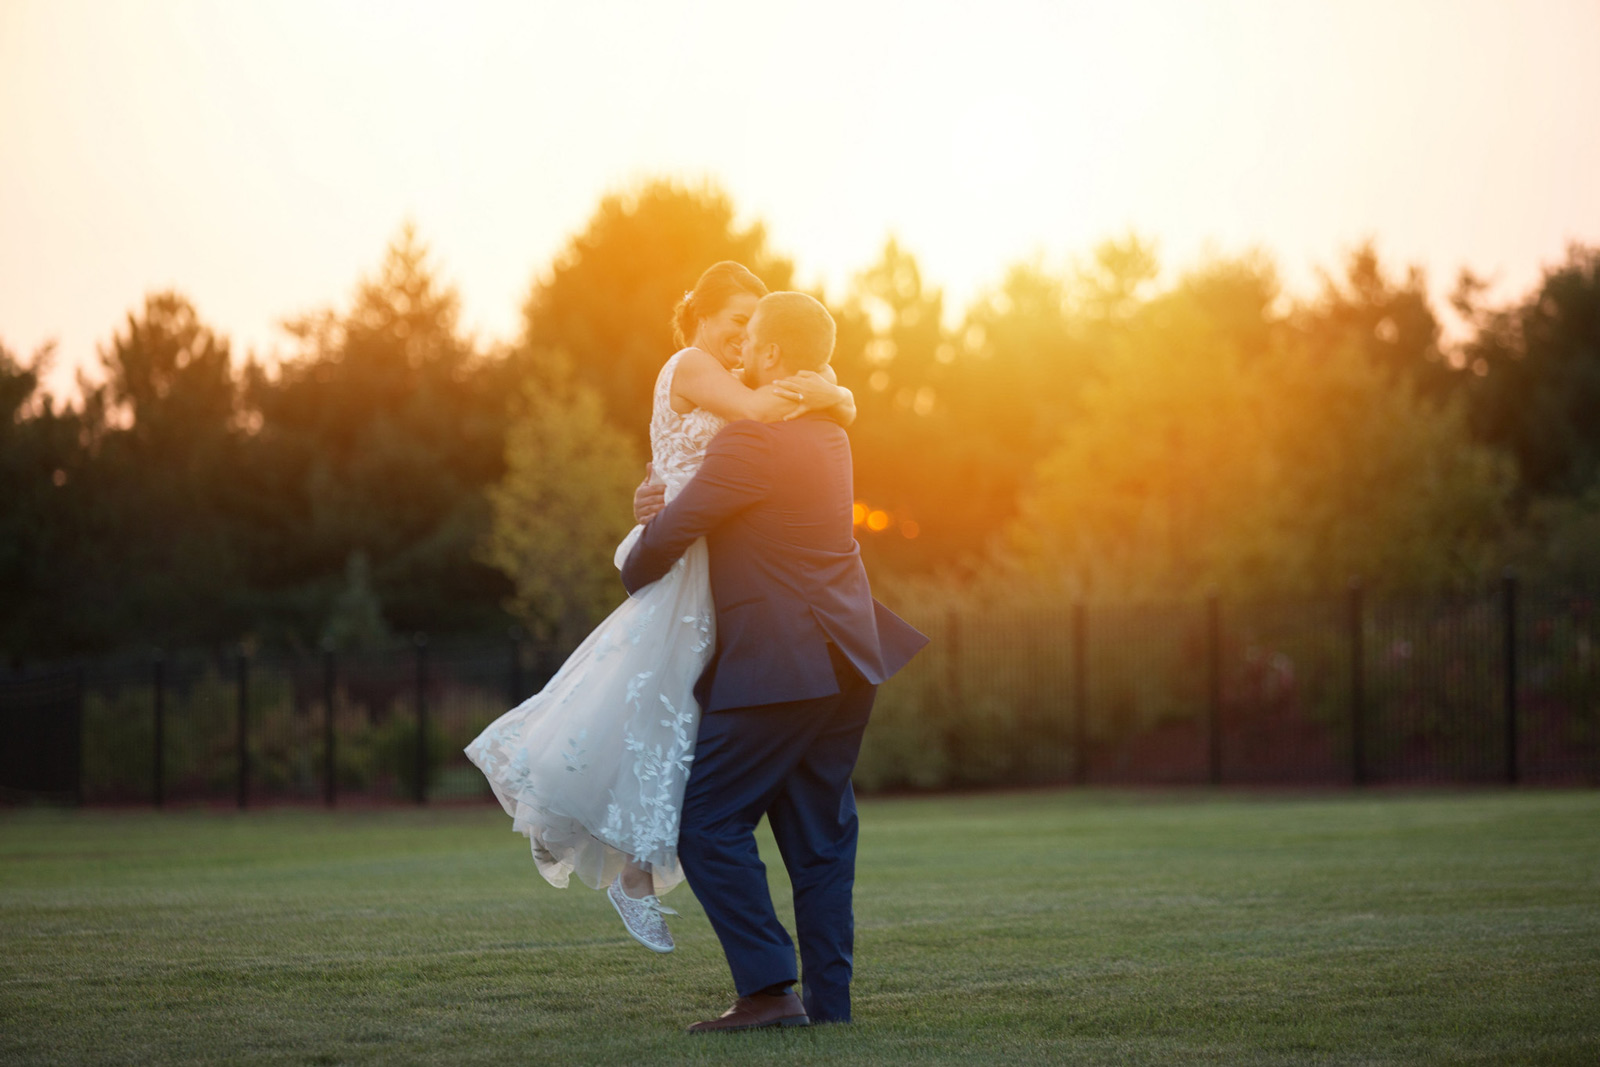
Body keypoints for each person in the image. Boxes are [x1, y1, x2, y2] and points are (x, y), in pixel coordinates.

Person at [464, 262, 854, 953]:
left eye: (752, 329)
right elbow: (762, 414)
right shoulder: (691, 364)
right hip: (685, 557)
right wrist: (835, 391)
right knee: (641, 699)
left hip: (713, 559)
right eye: (737, 322)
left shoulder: (728, 377)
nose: (743, 340)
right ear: (702, 315)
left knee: (675, 717)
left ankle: (638, 869)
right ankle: (589, 836)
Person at [622, 291, 927, 1032]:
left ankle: (767, 990)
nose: (742, 352)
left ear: (772, 355)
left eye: (752, 340)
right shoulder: (829, 432)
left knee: (706, 819)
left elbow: (658, 552)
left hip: (778, 662)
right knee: (821, 839)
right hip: (850, 657)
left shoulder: (749, 442)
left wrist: (644, 526)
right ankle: (831, 1007)